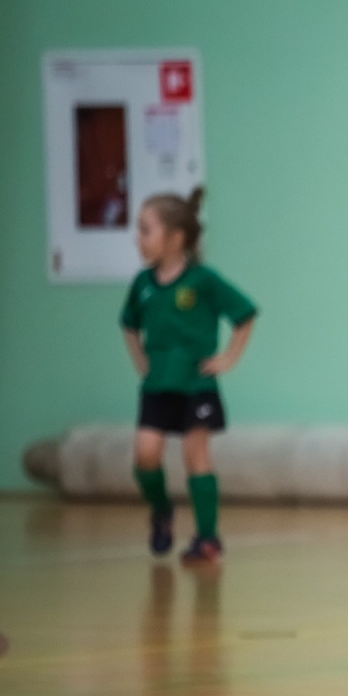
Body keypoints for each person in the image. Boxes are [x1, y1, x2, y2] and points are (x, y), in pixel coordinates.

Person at [121, 187, 256, 565]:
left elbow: (245, 314)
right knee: (145, 456)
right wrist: (142, 362)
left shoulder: (203, 280)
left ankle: (207, 538)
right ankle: (161, 510)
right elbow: (128, 325)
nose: (139, 238)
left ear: (175, 237)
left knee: (196, 455)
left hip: (197, 385)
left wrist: (227, 358)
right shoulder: (143, 285)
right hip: (157, 386)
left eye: (146, 229)